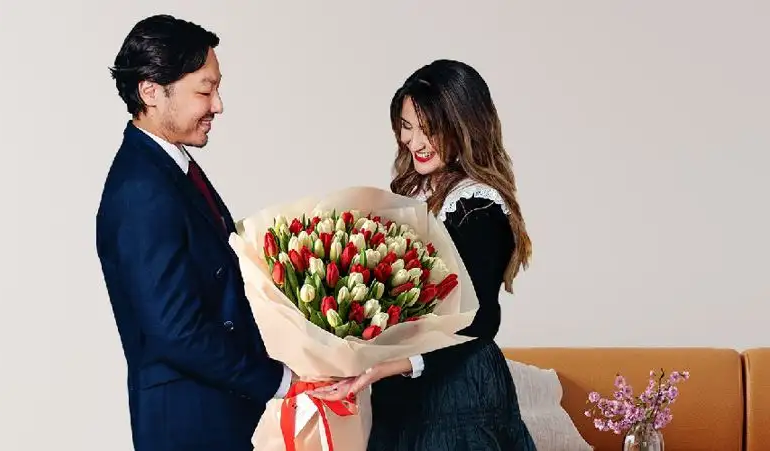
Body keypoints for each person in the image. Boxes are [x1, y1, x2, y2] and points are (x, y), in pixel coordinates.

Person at [312, 59, 536, 450]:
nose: (414, 142)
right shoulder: (412, 193)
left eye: (428, 129)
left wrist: (391, 365)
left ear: (464, 126)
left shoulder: (476, 205)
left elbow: (480, 320)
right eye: (406, 126)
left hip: (459, 391)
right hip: (404, 394)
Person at [96, 15, 295, 451]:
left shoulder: (168, 168)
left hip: (216, 413)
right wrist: (280, 380)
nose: (218, 105)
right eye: (205, 91)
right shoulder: (141, 188)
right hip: (188, 423)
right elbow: (177, 330)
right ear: (151, 91)